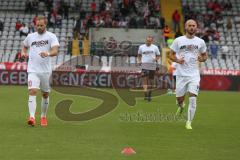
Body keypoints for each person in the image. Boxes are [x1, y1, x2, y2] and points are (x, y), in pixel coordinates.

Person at [21, 16, 60, 127]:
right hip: (33, 70)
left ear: (45, 25)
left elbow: (55, 50)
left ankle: (43, 116)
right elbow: (24, 46)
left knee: (45, 94)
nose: (39, 27)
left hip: (46, 71)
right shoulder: (30, 36)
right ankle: (32, 117)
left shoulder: (51, 36)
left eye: (41, 25)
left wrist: (48, 53)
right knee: (32, 91)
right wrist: (23, 53)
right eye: (37, 25)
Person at [169, 19, 208, 129]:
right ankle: (181, 106)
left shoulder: (200, 42)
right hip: (181, 74)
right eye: (189, 25)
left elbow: (205, 56)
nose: (191, 27)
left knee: (193, 98)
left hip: (194, 75)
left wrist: (202, 59)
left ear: (196, 27)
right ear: (185, 27)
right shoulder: (178, 40)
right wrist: (177, 60)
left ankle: (189, 122)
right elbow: (170, 55)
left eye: (193, 25)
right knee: (179, 100)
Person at [137, 36, 161, 101]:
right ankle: (146, 94)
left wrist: (155, 59)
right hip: (144, 65)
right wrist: (139, 61)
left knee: (151, 81)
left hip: (152, 66)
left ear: (152, 41)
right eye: (147, 41)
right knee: (144, 80)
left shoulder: (155, 47)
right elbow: (139, 55)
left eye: (150, 41)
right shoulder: (141, 47)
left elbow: (158, 55)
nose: (148, 42)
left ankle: (149, 94)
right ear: (145, 40)